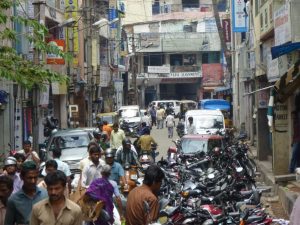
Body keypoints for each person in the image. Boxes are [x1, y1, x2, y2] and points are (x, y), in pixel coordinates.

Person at [5, 161, 48, 225]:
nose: (33, 181)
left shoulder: (45, 194)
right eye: (29, 178)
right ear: (21, 177)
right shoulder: (13, 200)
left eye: (35, 177)